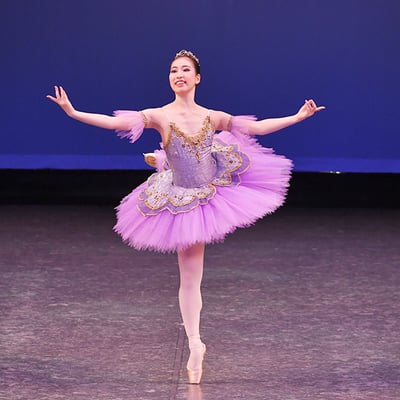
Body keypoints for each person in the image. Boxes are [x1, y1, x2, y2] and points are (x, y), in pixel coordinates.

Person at [47, 49, 325, 384]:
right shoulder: (159, 115)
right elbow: (115, 122)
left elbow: (256, 128)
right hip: (181, 198)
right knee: (189, 277)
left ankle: (161, 159)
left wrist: (296, 117)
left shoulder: (213, 116)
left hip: (211, 191)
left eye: (184, 70)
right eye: (173, 70)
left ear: (197, 78)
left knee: (194, 274)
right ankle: (195, 343)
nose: (178, 75)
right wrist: (73, 112)